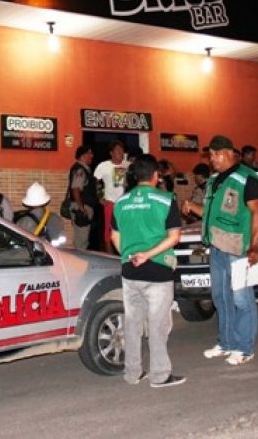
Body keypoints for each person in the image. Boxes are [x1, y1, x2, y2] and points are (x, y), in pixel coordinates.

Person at [182, 135, 258, 366]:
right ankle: (226, 342)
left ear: (228, 153)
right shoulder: (213, 181)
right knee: (221, 297)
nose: (212, 159)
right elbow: (210, 213)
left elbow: (257, 213)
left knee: (241, 298)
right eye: (210, 155)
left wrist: (254, 246)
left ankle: (244, 348)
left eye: (216, 154)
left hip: (238, 248)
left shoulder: (247, 177)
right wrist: (192, 207)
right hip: (216, 248)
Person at [111, 153, 185, 387]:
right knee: (158, 325)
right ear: (155, 175)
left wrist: (131, 256)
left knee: (132, 324)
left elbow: (115, 237)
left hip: (130, 271)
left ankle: (133, 373)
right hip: (158, 271)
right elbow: (174, 237)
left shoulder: (121, 202)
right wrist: (148, 255)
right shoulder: (166, 199)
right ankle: (160, 375)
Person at [94, 140, 129, 253]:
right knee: (109, 232)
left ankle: (124, 256)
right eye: (118, 150)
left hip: (125, 204)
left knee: (125, 231)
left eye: (122, 150)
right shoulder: (103, 166)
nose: (121, 153)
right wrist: (100, 197)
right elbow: (95, 182)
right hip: (110, 203)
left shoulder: (127, 165)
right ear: (111, 153)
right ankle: (111, 258)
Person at [67, 145, 99, 250]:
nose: (92, 156)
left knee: (81, 239)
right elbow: (75, 189)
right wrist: (81, 208)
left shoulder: (83, 169)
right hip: (81, 208)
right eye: (90, 153)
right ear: (83, 155)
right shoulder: (80, 170)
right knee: (81, 241)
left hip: (81, 207)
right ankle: (79, 260)